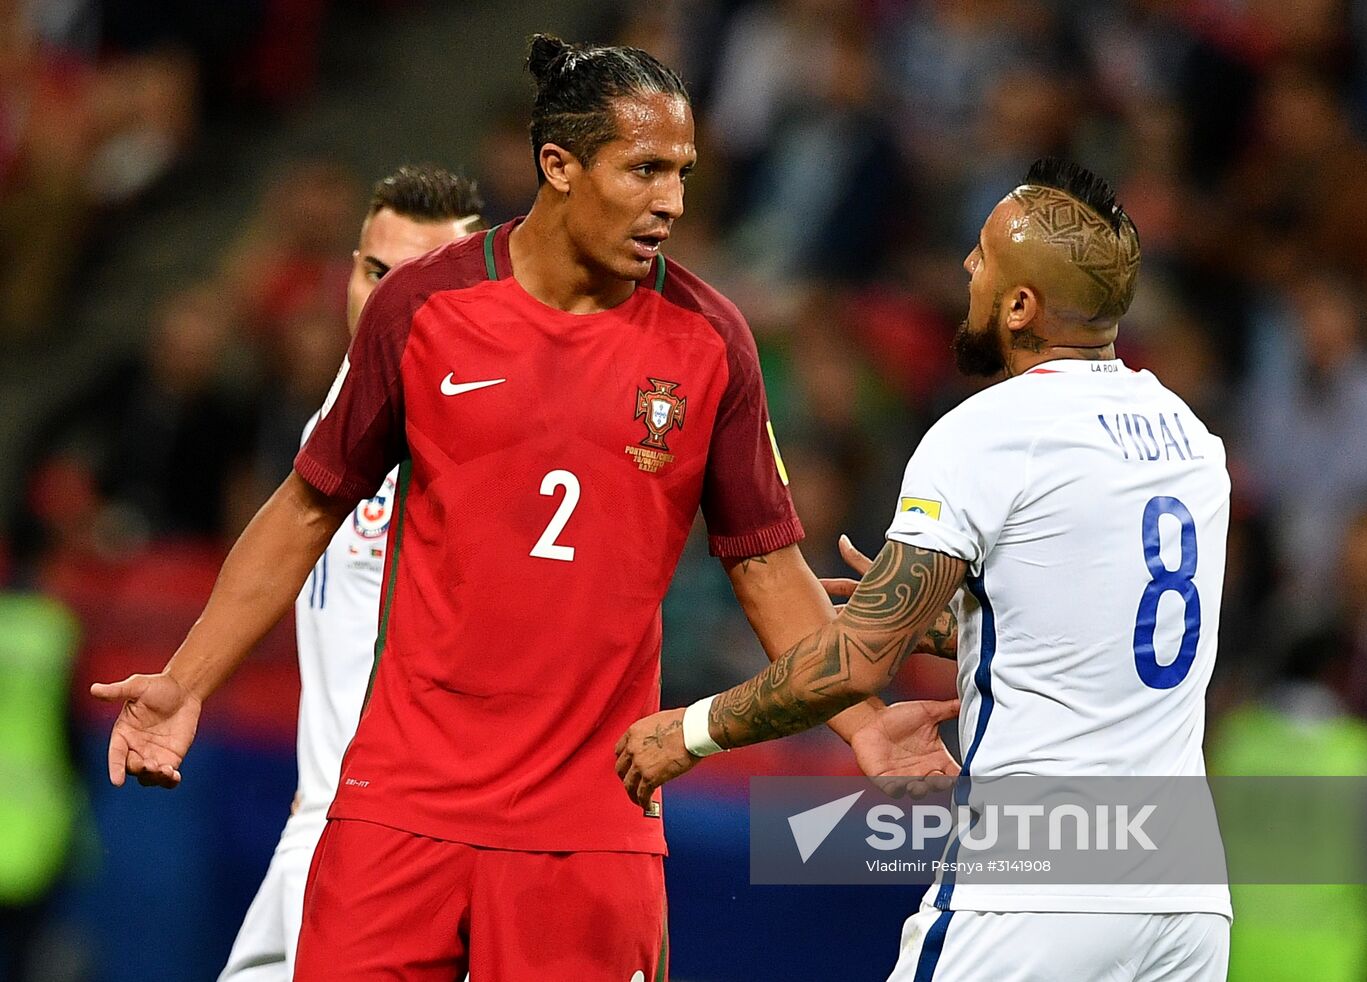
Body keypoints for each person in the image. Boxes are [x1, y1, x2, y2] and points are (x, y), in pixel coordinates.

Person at [91, 35, 958, 982]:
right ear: (559, 165)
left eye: (682, 172)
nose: (671, 200)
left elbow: (764, 565)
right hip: (400, 805)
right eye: (644, 170)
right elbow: (306, 507)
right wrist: (187, 679)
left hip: (591, 824)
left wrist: (863, 721)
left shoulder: (712, 342)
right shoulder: (423, 309)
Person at [617, 158, 1233, 981]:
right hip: (1186, 885)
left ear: (1022, 306)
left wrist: (691, 731)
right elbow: (1126, 628)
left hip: (1038, 881)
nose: (965, 271)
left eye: (982, 258)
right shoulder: (1193, 440)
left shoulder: (987, 432)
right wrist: (961, 622)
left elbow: (857, 660)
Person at [217, 166, 485, 982]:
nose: (382, 300)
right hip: (315, 831)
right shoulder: (337, 409)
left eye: (414, 279)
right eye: (373, 271)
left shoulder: (485, 445)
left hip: (408, 856)